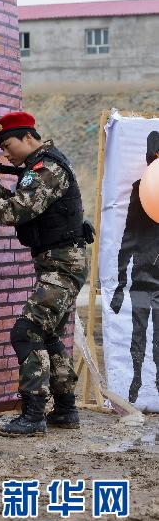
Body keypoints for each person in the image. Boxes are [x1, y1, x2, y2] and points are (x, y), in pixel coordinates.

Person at [0, 111, 90, 436]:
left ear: (27, 137)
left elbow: (15, 213)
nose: (5, 154)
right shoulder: (38, 167)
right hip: (62, 263)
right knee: (48, 336)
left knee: (27, 332)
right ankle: (65, 410)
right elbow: (25, 209)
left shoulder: (46, 168)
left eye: (7, 145)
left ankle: (34, 416)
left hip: (63, 265)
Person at [110, 131, 159, 403]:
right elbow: (128, 237)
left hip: (149, 272)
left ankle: (154, 382)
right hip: (141, 274)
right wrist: (118, 284)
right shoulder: (141, 188)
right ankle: (137, 380)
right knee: (138, 332)